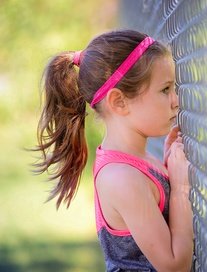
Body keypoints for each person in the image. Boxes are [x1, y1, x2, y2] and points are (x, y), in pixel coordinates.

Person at [33, 29, 194, 271]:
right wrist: (181, 187)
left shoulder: (134, 161)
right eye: (165, 90)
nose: (176, 100)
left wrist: (170, 167)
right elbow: (174, 266)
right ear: (119, 102)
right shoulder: (121, 177)